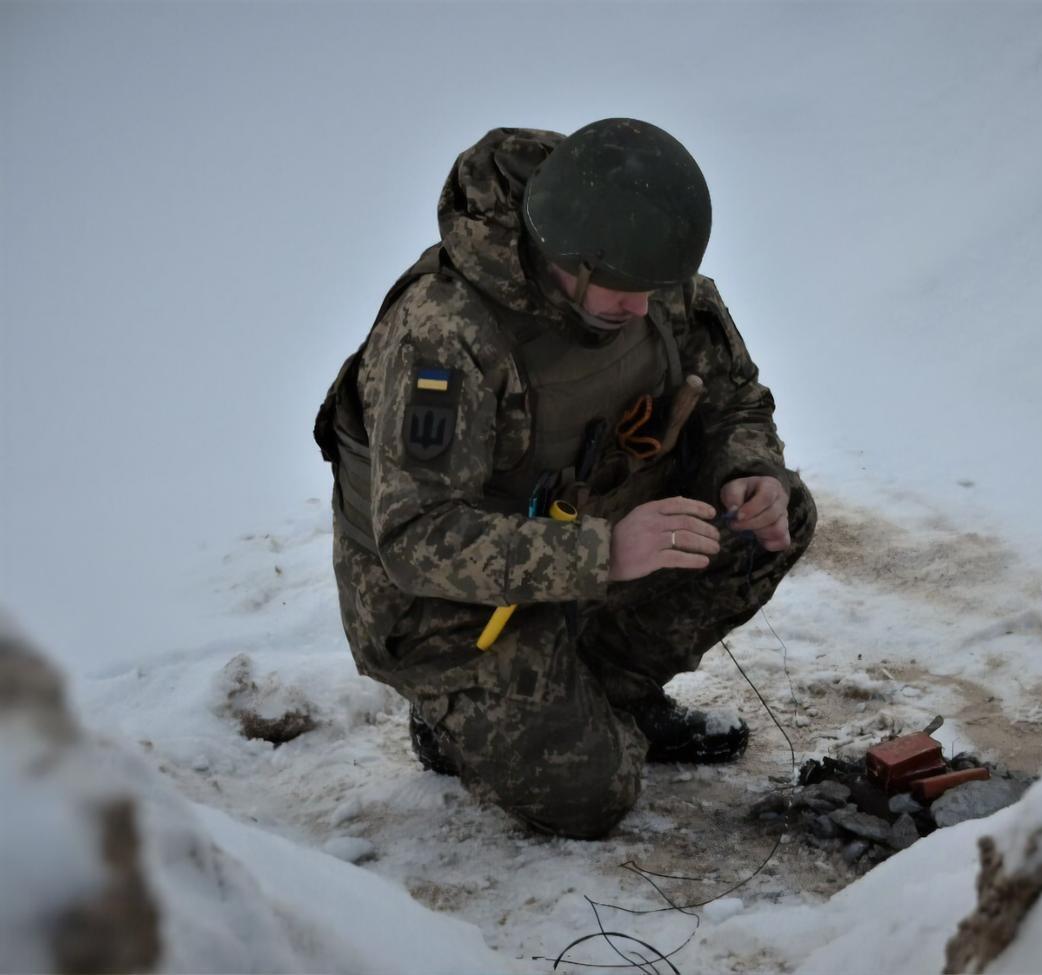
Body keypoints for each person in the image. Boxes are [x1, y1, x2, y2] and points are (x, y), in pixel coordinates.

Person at [315, 118, 817, 839]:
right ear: (568, 257)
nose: (641, 310)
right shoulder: (444, 333)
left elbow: (733, 396)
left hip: (579, 531)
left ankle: (605, 695)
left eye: (652, 290)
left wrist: (749, 469)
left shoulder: (641, 265)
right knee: (595, 797)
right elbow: (414, 536)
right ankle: (454, 720)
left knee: (774, 523)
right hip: (447, 610)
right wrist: (604, 552)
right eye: (619, 292)